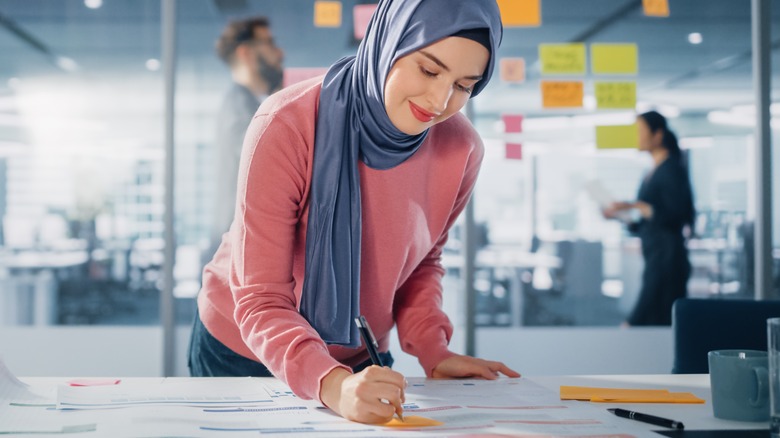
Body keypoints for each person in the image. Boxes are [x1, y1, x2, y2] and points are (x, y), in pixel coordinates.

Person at [189, 0, 519, 425]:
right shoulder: (286, 124)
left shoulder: (461, 148)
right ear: (388, 42)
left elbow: (421, 265)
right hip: (243, 349)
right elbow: (261, 297)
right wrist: (331, 384)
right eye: (429, 70)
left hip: (361, 357)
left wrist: (434, 351)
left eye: (465, 85)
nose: (439, 100)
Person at [603, 111, 696, 326]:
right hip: (655, 251)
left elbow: (675, 214)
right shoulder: (651, 171)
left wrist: (638, 206)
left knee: (658, 315)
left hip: (667, 257)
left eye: (640, 131)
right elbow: (647, 223)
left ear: (657, 135)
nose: (636, 137)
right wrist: (622, 215)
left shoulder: (671, 168)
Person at [210, 16, 285, 260]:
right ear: (246, 53)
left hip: (239, 244)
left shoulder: (248, 103)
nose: (279, 53)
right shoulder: (239, 106)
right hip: (236, 249)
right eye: (270, 43)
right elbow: (264, 159)